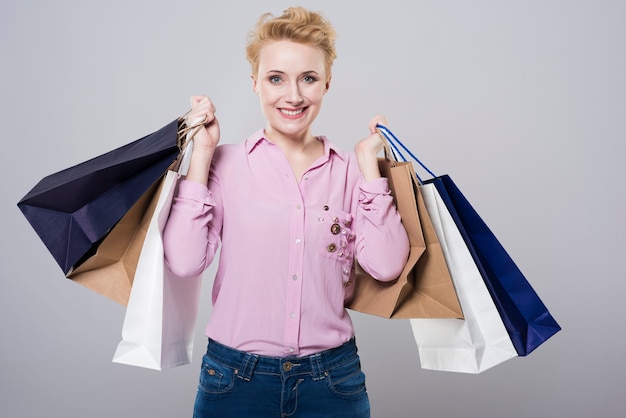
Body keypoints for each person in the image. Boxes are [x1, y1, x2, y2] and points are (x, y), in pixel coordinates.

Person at [163, 6, 410, 418]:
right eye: (276, 78)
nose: (292, 96)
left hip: (331, 380)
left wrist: (371, 168)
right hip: (234, 378)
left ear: (327, 84)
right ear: (255, 84)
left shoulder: (352, 171)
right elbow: (185, 261)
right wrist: (201, 155)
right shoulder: (225, 164)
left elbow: (386, 267)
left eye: (308, 79)